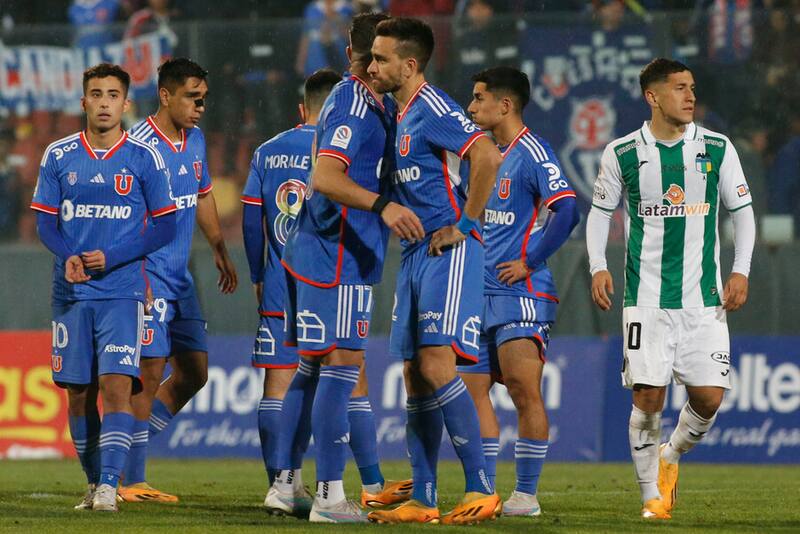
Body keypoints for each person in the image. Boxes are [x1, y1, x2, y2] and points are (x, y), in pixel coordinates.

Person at [587, 57, 755, 519]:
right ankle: (650, 498)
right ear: (653, 96)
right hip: (645, 298)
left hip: (704, 299)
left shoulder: (718, 148)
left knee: (709, 398)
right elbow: (600, 212)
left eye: (692, 87)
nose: (690, 96)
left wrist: (740, 270)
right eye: (680, 88)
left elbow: (742, 213)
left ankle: (670, 454)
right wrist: (598, 265)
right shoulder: (622, 152)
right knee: (647, 396)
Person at [278, 13, 424, 523]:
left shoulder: (363, 101)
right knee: (339, 369)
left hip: (322, 252)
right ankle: (328, 497)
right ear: (372, 59)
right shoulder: (358, 104)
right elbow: (324, 176)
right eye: (382, 56)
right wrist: (382, 206)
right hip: (337, 255)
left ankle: (285, 483)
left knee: (314, 369)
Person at [366, 17, 504, 525]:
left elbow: (487, 155)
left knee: (437, 365)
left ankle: (481, 487)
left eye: (381, 58)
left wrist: (467, 224)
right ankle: (423, 498)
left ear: (410, 64)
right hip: (415, 254)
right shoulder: (397, 114)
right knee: (412, 374)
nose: (373, 66)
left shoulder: (434, 107)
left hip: (450, 250)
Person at [31, 63, 177, 511]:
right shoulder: (58, 155)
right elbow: (45, 221)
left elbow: (166, 224)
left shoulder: (142, 158)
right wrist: (67, 255)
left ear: (125, 104)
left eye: (113, 95)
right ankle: (95, 483)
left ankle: (112, 486)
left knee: (116, 384)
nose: (104, 102)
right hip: (72, 292)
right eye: (96, 94)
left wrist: (112, 258)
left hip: (122, 290)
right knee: (78, 392)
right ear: (84, 102)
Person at [459, 66, 579, 517]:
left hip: (520, 294)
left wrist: (528, 260)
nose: (470, 108)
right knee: (471, 394)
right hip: (476, 294)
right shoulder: (477, 155)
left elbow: (567, 210)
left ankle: (525, 495)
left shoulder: (532, 151)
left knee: (523, 390)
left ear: (504, 105)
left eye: (477, 98)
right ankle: (484, 493)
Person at [120, 57, 238, 503]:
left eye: (204, 99)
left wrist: (219, 249)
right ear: (165, 95)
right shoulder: (137, 147)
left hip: (182, 276)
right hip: (148, 274)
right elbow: (127, 220)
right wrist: (135, 275)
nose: (200, 106)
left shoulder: (196, 140)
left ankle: (125, 445)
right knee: (148, 374)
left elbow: (202, 193)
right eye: (192, 97)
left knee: (195, 372)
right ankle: (130, 479)